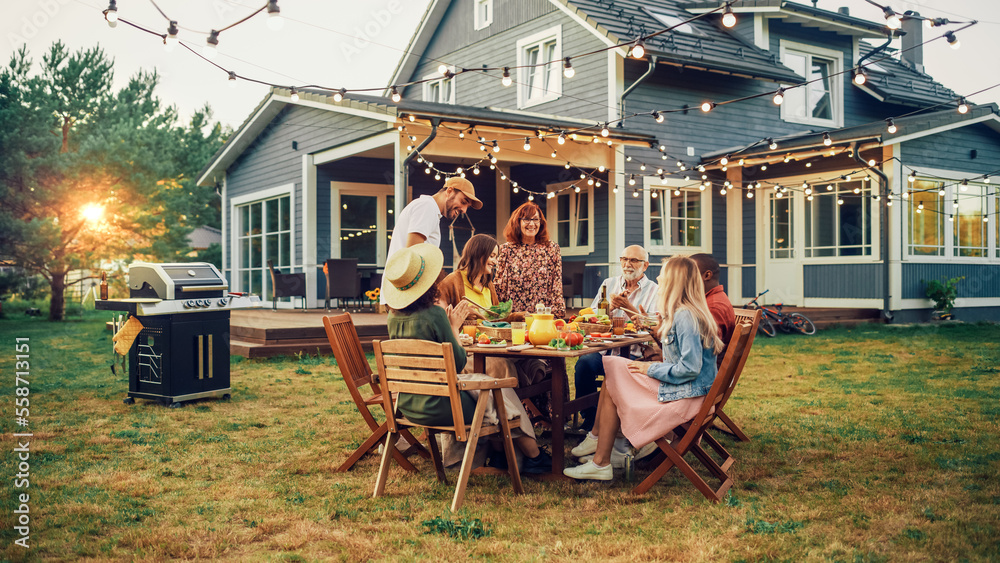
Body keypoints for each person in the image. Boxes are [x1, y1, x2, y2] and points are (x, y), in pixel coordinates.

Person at [382, 243, 552, 474]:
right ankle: (533, 456)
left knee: (490, 387)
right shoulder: (435, 315)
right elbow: (459, 362)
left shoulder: (393, 318)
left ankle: (503, 455)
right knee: (498, 391)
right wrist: (453, 326)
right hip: (445, 406)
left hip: (408, 405)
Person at [564, 255, 725, 481]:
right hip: (692, 389)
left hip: (688, 396)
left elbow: (689, 368)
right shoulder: (688, 311)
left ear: (674, 282)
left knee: (615, 379)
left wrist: (649, 369)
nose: (658, 278)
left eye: (663, 275)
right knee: (616, 373)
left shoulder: (685, 316)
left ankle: (601, 459)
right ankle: (611, 451)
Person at [572, 245, 658, 436]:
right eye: (624, 259)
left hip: (635, 354)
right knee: (584, 363)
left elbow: (653, 324)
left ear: (645, 266)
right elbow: (591, 317)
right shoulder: (608, 283)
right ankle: (590, 419)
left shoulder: (654, 290)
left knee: (619, 372)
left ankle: (619, 422)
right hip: (604, 350)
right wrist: (610, 307)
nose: (628, 264)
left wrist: (628, 306)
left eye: (634, 260)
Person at [381, 177, 482, 304]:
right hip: (408, 295)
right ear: (449, 191)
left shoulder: (428, 208)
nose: (464, 210)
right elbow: (412, 254)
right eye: (463, 201)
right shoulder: (427, 207)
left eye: (467, 206)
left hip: (406, 293)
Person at [438, 234, 519, 381]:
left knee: (531, 364)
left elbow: (496, 318)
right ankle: (499, 404)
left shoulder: (488, 285)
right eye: (492, 256)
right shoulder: (452, 282)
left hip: (491, 348)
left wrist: (522, 316)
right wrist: (462, 318)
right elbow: (440, 319)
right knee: (504, 366)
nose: (495, 261)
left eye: (496, 256)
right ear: (479, 254)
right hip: (466, 353)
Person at [494, 202, 565, 318]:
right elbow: (499, 285)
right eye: (526, 219)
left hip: (541, 317)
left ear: (541, 223)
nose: (531, 224)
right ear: (518, 222)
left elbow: (556, 284)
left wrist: (557, 313)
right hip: (514, 316)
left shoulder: (552, 249)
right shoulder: (505, 250)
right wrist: (498, 314)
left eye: (536, 220)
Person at [690, 253, 736, 367]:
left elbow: (698, 356)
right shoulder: (712, 300)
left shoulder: (713, 308)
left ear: (707, 275)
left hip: (701, 378)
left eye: (689, 274)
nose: (686, 279)